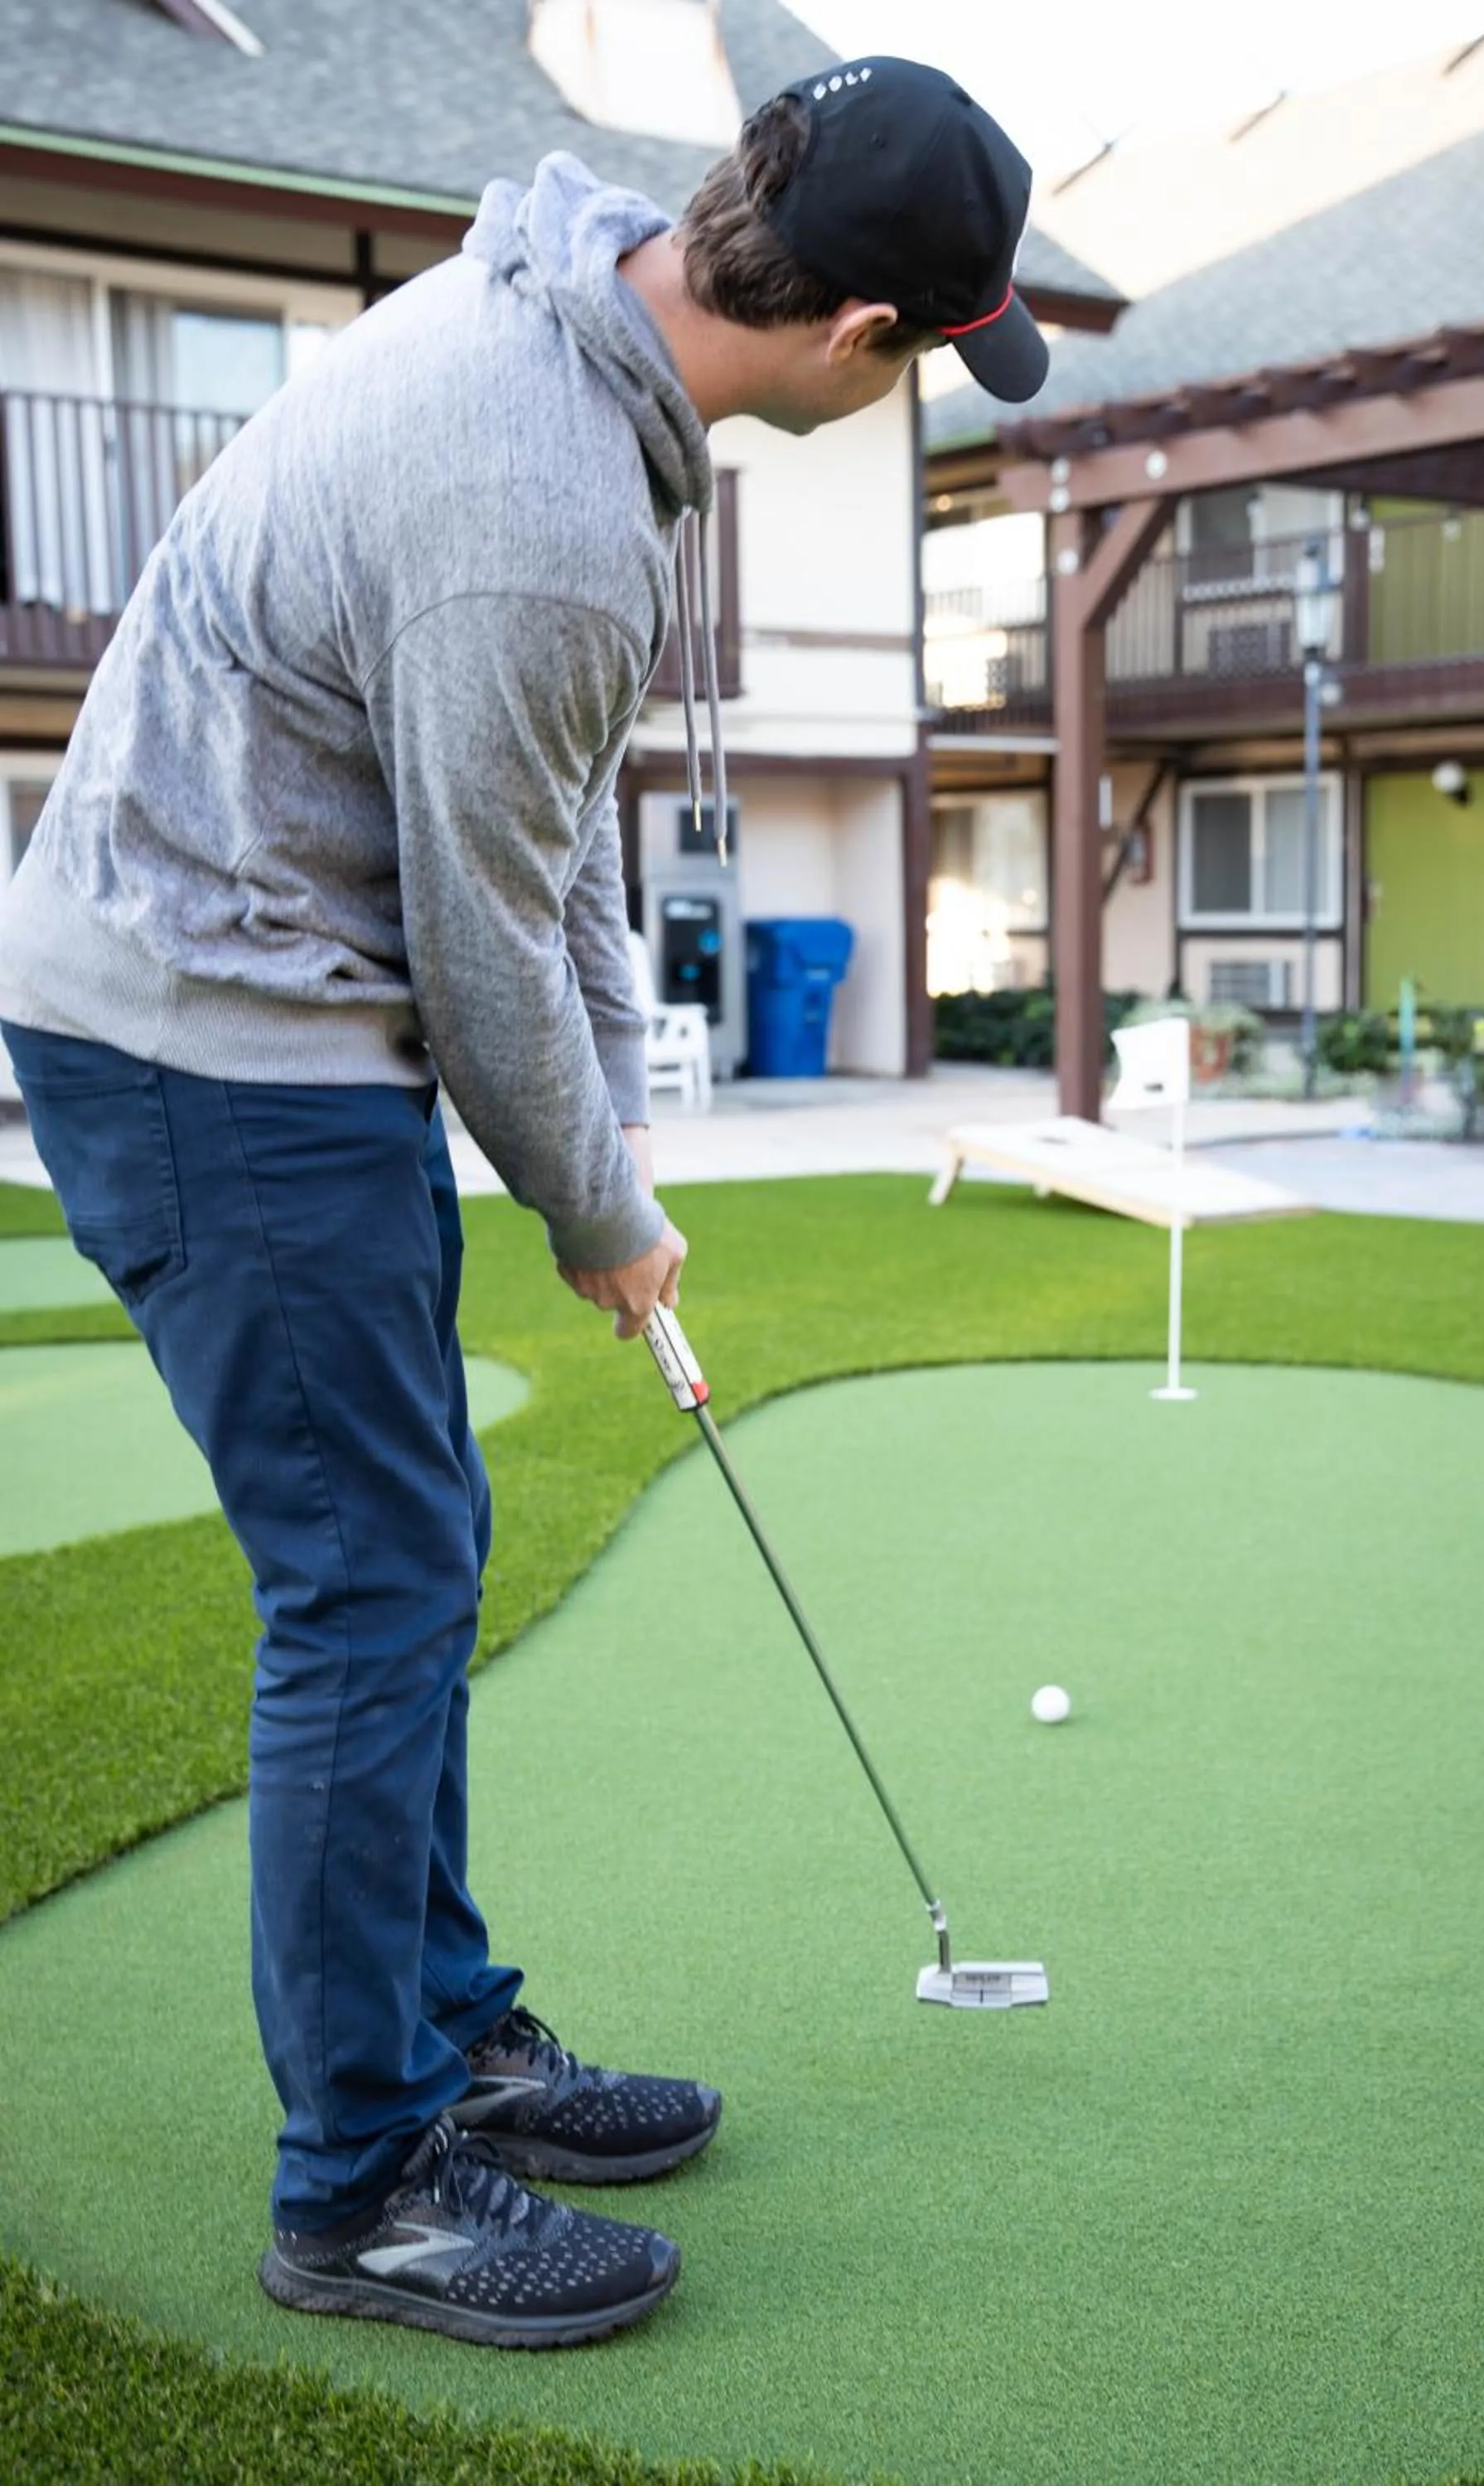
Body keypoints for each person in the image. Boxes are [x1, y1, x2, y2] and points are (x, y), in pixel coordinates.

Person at [0, 58, 1049, 2351]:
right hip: (206, 1033)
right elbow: (483, 945)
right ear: (865, 335)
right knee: (369, 1580)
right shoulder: (542, 494)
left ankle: (439, 2029)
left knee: (414, 1543)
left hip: (254, 1002)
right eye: (947, 359)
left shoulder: (575, 328)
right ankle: (361, 2180)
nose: (924, 393)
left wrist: (617, 1156)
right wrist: (590, 1204)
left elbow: (552, 823)